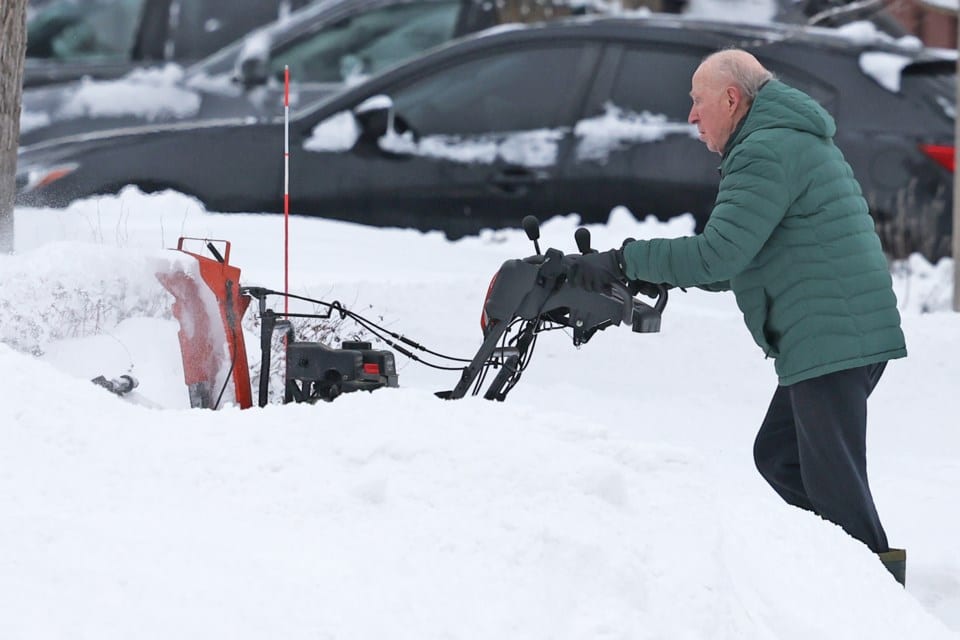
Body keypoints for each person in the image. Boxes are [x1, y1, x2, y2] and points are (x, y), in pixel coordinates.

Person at [569, 49, 908, 585]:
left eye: (697, 102)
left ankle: (872, 598)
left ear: (732, 99)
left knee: (835, 487)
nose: (691, 117)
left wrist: (624, 259)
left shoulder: (766, 151)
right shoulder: (787, 140)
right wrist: (648, 272)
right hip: (837, 331)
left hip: (831, 335)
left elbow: (718, 254)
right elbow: (740, 259)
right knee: (779, 456)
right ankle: (830, 571)